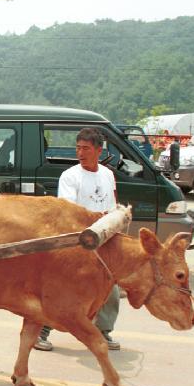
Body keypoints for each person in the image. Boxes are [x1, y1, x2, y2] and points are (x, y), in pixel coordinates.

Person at [36, 128, 121, 352]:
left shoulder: (107, 174)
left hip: (104, 238)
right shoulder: (70, 176)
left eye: (85, 148)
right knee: (62, 289)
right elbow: (68, 212)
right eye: (78, 148)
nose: (80, 153)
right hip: (78, 240)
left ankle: (103, 331)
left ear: (99, 151)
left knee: (109, 287)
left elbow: (112, 205)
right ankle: (41, 331)